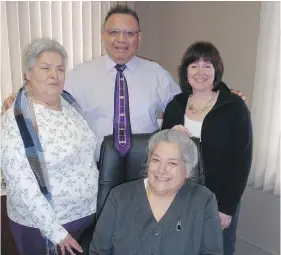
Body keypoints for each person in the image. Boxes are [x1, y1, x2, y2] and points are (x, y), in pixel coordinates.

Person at [1, 5, 247, 162]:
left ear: (139, 37)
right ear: (103, 35)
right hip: (98, 168)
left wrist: (223, 97)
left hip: (147, 169)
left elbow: (190, 103)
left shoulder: (156, 74)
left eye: (129, 33)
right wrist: (22, 97)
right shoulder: (80, 75)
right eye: (114, 32)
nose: (122, 39)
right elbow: (48, 93)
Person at [1, 38, 99, 255]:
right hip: (46, 227)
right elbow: (22, 185)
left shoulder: (69, 104)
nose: (54, 75)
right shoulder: (15, 121)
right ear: (28, 73)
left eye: (60, 69)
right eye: (45, 68)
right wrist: (56, 233)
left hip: (86, 216)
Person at [161, 41, 253, 255]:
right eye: (194, 66)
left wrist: (227, 207)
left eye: (207, 65)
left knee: (218, 250)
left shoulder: (233, 106)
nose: (200, 71)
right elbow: (161, 152)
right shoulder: (175, 105)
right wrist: (168, 135)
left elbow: (242, 160)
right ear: (186, 72)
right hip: (179, 197)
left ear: (216, 70)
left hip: (218, 200)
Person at [89, 129, 223, 255]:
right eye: (156, 160)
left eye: (172, 163)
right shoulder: (119, 196)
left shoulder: (203, 200)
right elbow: (99, 251)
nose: (161, 169)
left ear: (187, 170)